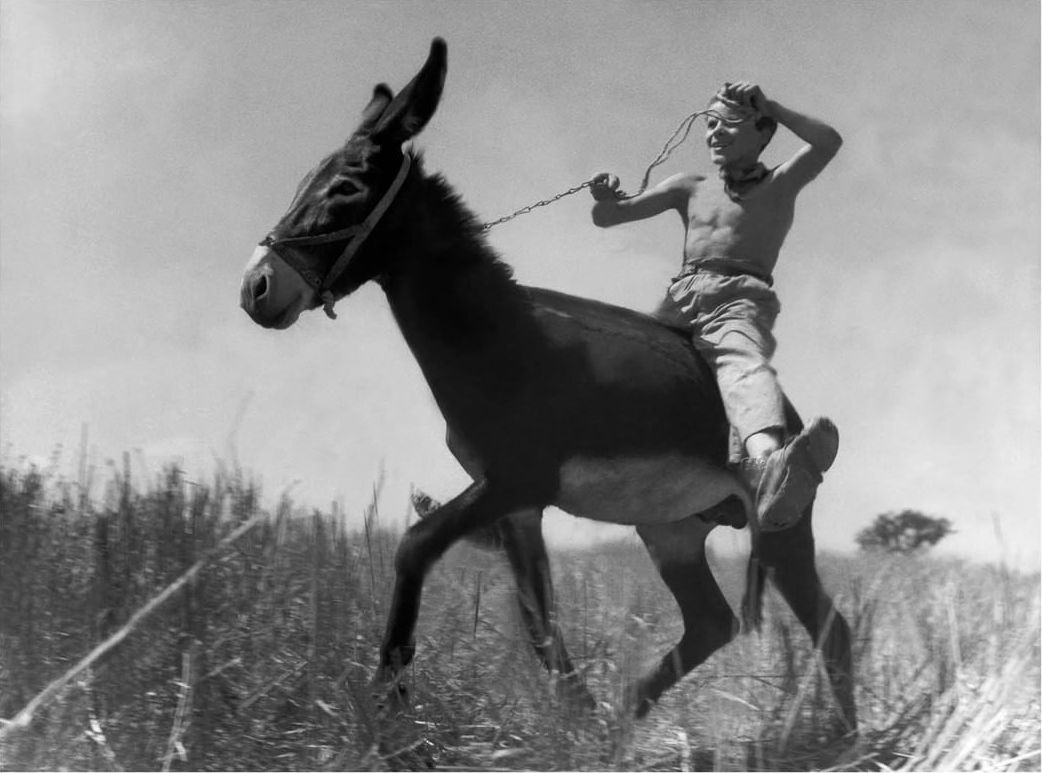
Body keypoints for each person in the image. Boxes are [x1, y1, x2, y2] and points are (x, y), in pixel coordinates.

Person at [589, 81, 842, 531]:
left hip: (738, 299)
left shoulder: (780, 183)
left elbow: (828, 142)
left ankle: (769, 468)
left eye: (728, 124)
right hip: (680, 297)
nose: (714, 134)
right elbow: (611, 217)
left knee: (740, 363)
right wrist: (606, 197)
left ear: (762, 133)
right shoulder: (688, 186)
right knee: (629, 360)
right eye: (708, 125)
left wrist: (774, 106)